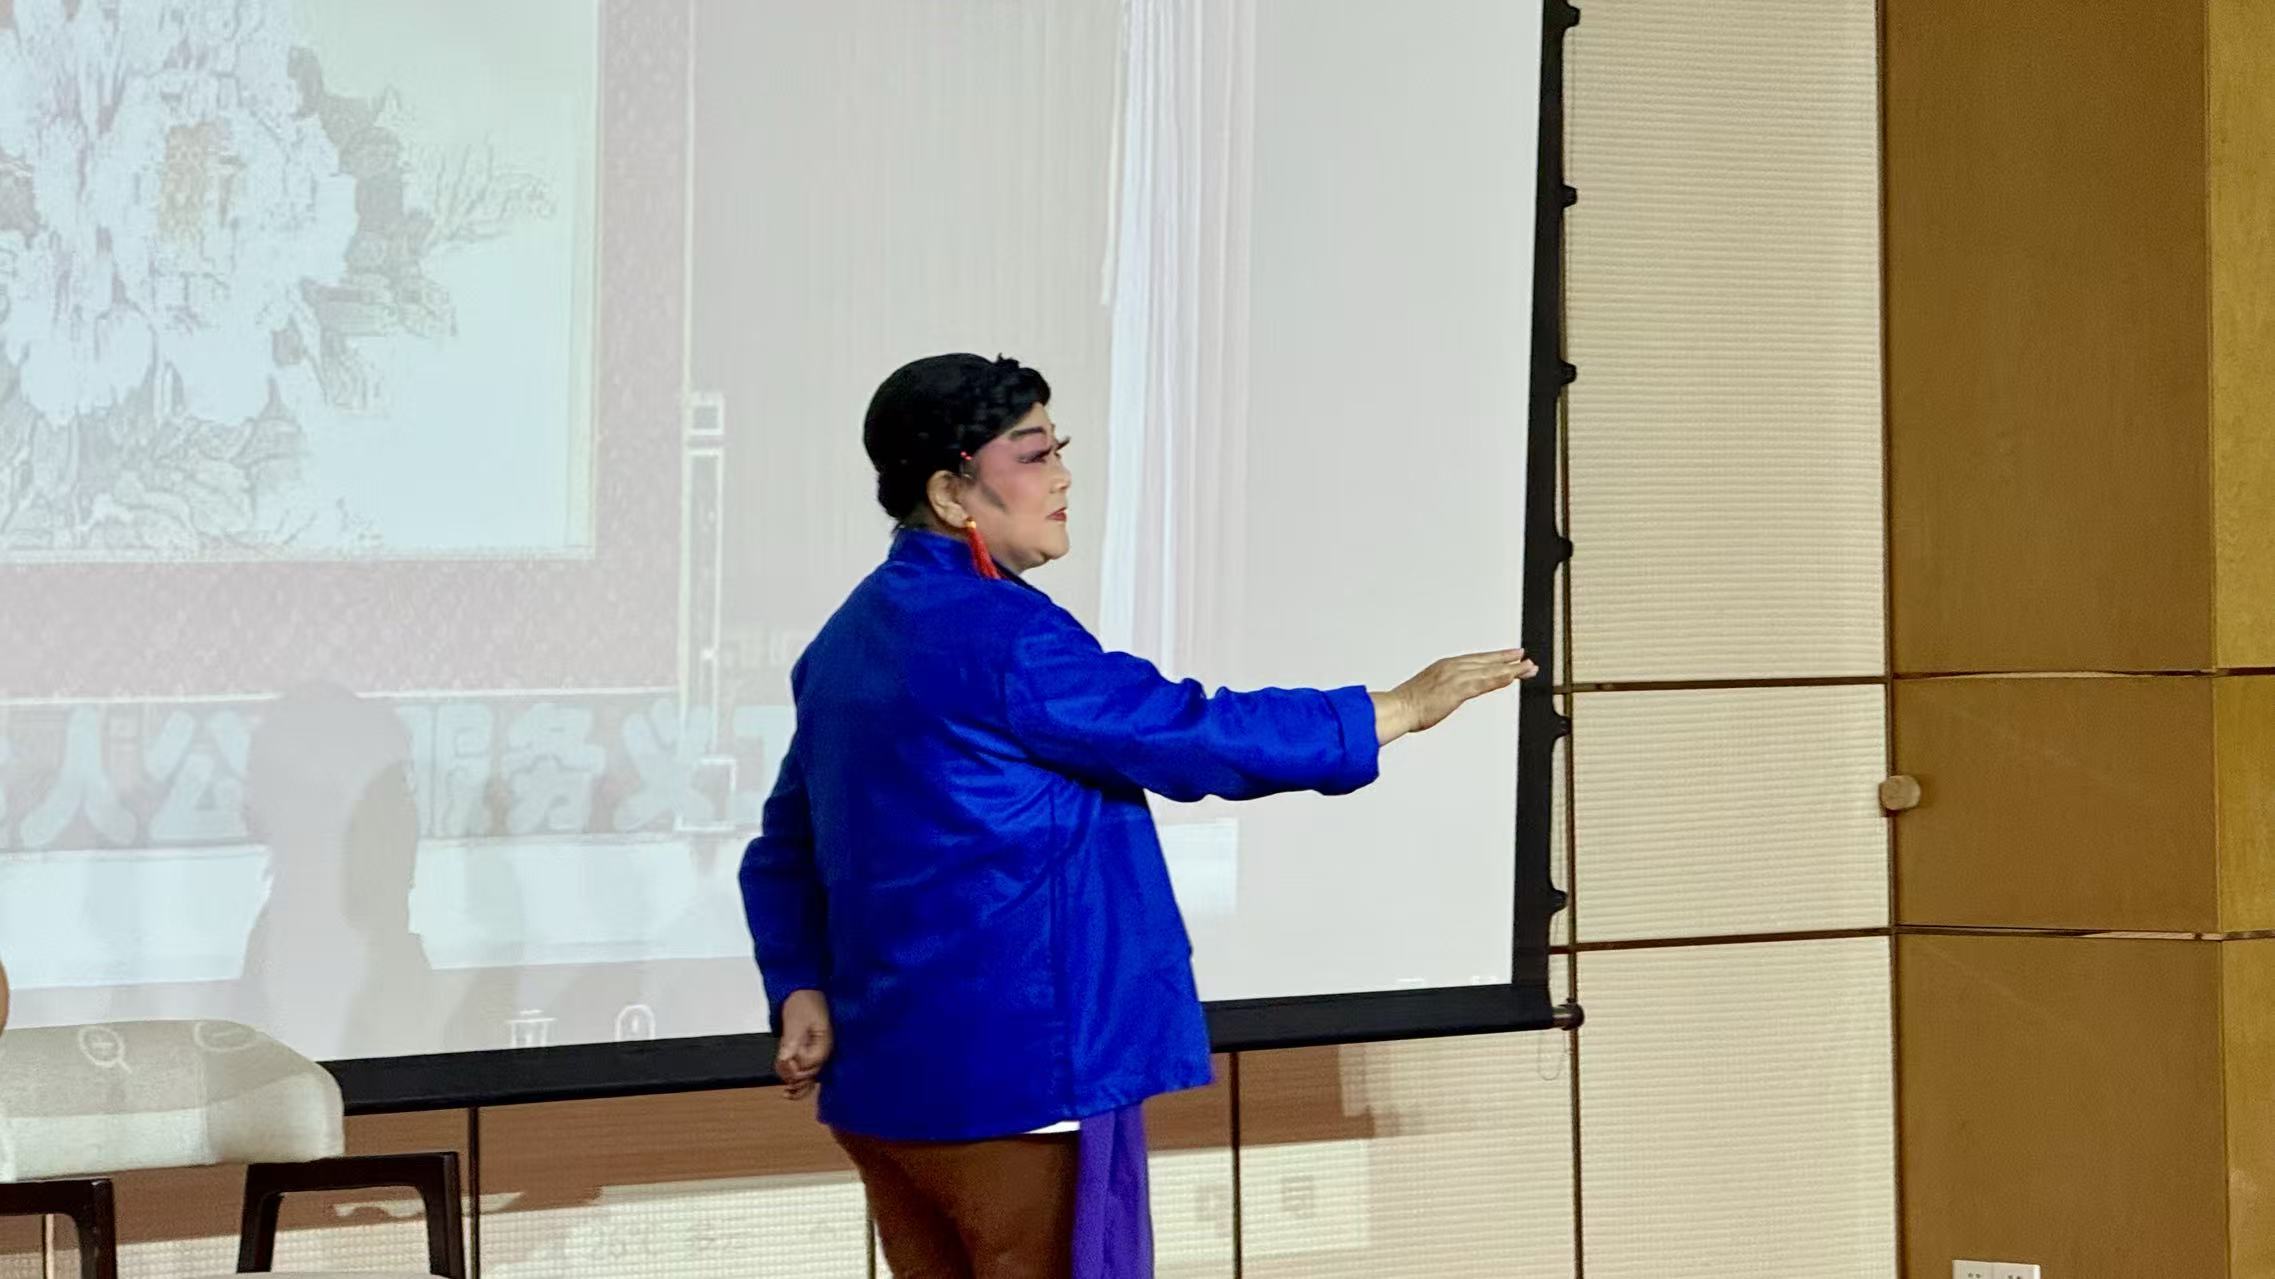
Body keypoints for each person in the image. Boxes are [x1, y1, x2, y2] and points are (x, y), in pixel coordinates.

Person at [739, 354, 1533, 1279]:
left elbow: (784, 845)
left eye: (1058, 449)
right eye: (1032, 455)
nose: (1063, 477)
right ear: (951, 494)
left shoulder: (845, 638)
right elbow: (1184, 732)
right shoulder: (1005, 635)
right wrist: (1391, 709)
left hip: (882, 1087)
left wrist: (797, 984)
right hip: (1016, 1076)